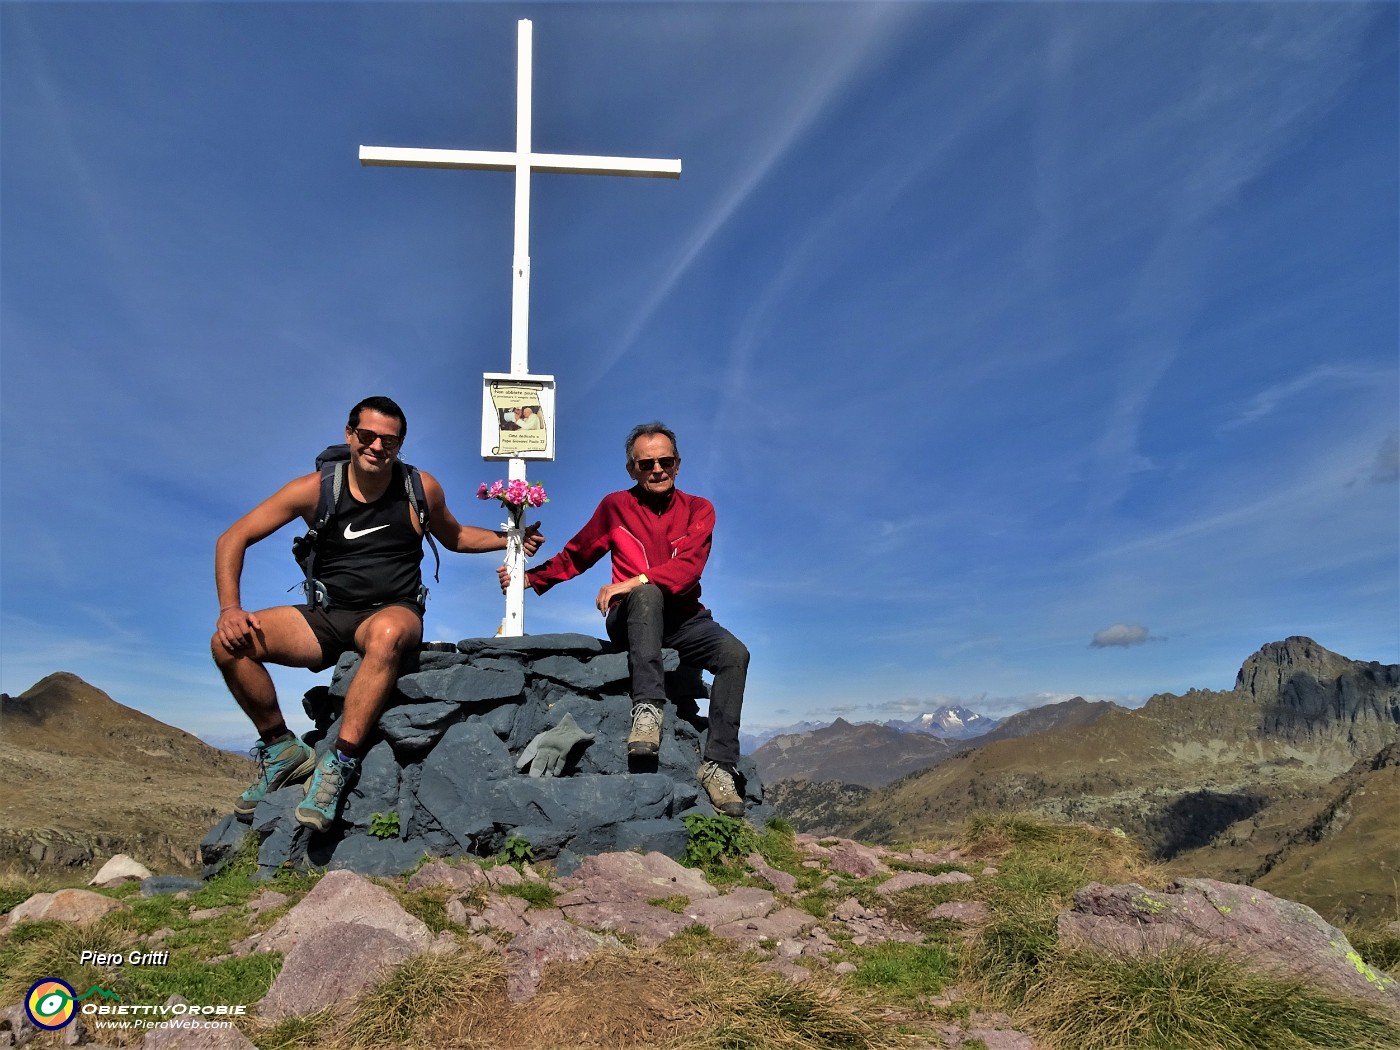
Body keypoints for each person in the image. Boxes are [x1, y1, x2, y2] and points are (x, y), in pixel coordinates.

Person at [213, 395, 543, 831]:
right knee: (229, 644)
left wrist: (511, 538)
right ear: (350, 435)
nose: (376, 446)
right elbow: (233, 537)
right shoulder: (315, 489)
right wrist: (230, 608)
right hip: (326, 615)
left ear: (400, 443)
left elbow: (456, 535)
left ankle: (339, 764)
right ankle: (281, 749)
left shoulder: (419, 488)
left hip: (394, 610)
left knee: (386, 632)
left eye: (389, 440)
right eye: (367, 436)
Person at [498, 421, 749, 816]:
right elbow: (579, 553)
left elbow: (688, 570)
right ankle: (648, 709)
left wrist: (632, 580)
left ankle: (718, 765)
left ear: (678, 464)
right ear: (632, 469)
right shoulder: (616, 506)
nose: (657, 469)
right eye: (646, 463)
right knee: (645, 595)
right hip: (632, 618)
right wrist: (528, 579)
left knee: (736, 653)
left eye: (665, 461)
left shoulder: (699, 509)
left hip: (685, 620)